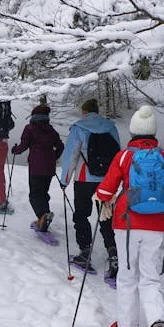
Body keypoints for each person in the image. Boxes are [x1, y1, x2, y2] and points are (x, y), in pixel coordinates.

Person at [93, 105, 164, 327]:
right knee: (150, 278)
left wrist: (103, 196)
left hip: (126, 224)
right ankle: (158, 322)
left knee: (127, 278)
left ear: (133, 131)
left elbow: (105, 190)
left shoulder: (125, 156)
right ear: (153, 132)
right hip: (157, 225)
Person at [59, 98, 121, 275]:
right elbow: (117, 153)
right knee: (106, 216)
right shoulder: (110, 127)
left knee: (81, 215)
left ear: (84, 112)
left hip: (84, 179)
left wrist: (65, 180)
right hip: (106, 182)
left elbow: (71, 155)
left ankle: (85, 252)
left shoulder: (79, 127)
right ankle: (113, 254)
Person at [11, 104, 64, 231]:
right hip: (49, 167)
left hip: (36, 167)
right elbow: (61, 147)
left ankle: (42, 215)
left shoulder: (30, 128)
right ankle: (45, 215)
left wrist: (15, 150)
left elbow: (24, 145)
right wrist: (53, 158)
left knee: (34, 194)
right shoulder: (51, 131)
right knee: (43, 193)